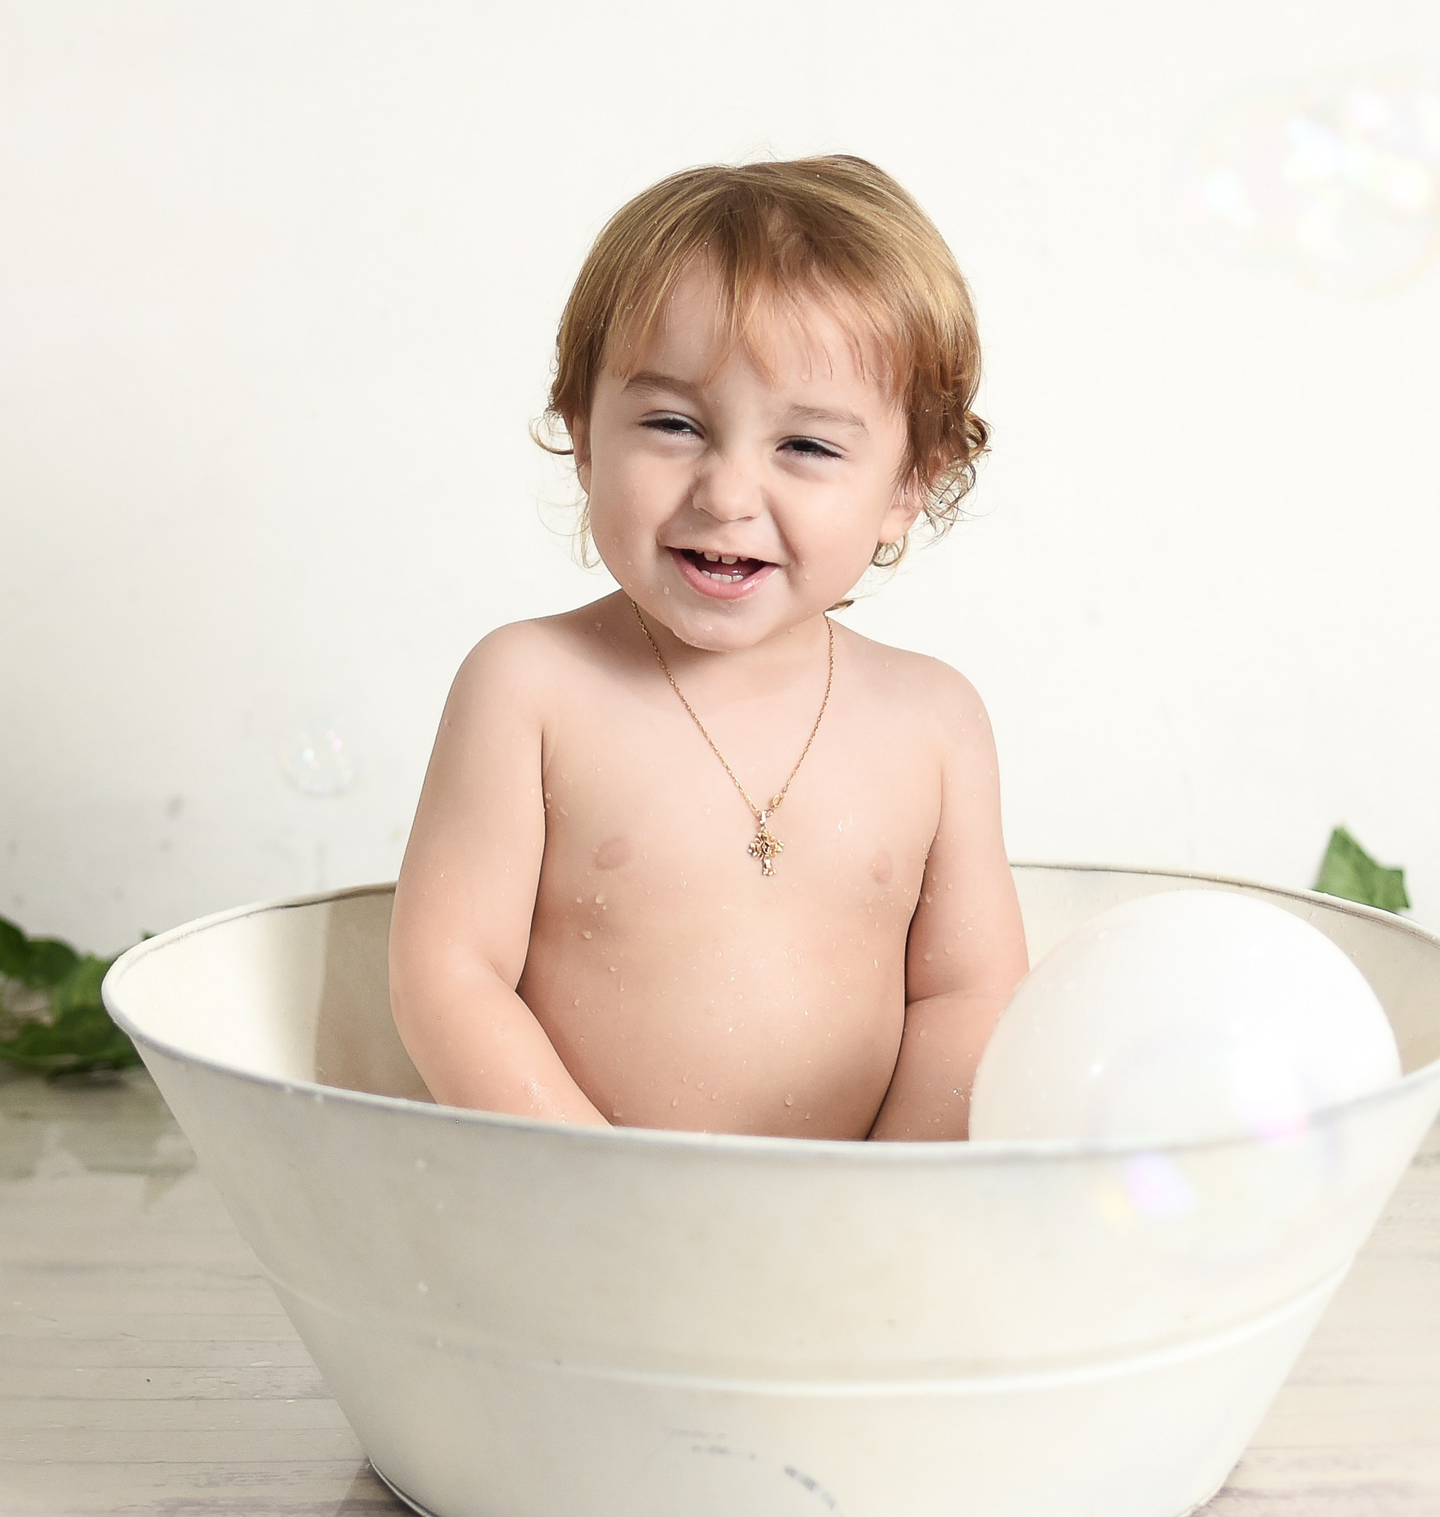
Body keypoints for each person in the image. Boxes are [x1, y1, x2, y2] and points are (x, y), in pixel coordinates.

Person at [389, 158, 1028, 1139]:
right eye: (674, 424)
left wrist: (888, 1192)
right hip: (582, 1201)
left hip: (854, 1213)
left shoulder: (933, 720)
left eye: (805, 445)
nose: (726, 495)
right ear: (584, 437)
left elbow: (968, 996)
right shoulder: (531, 688)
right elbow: (449, 973)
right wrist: (593, 1178)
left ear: (909, 485)